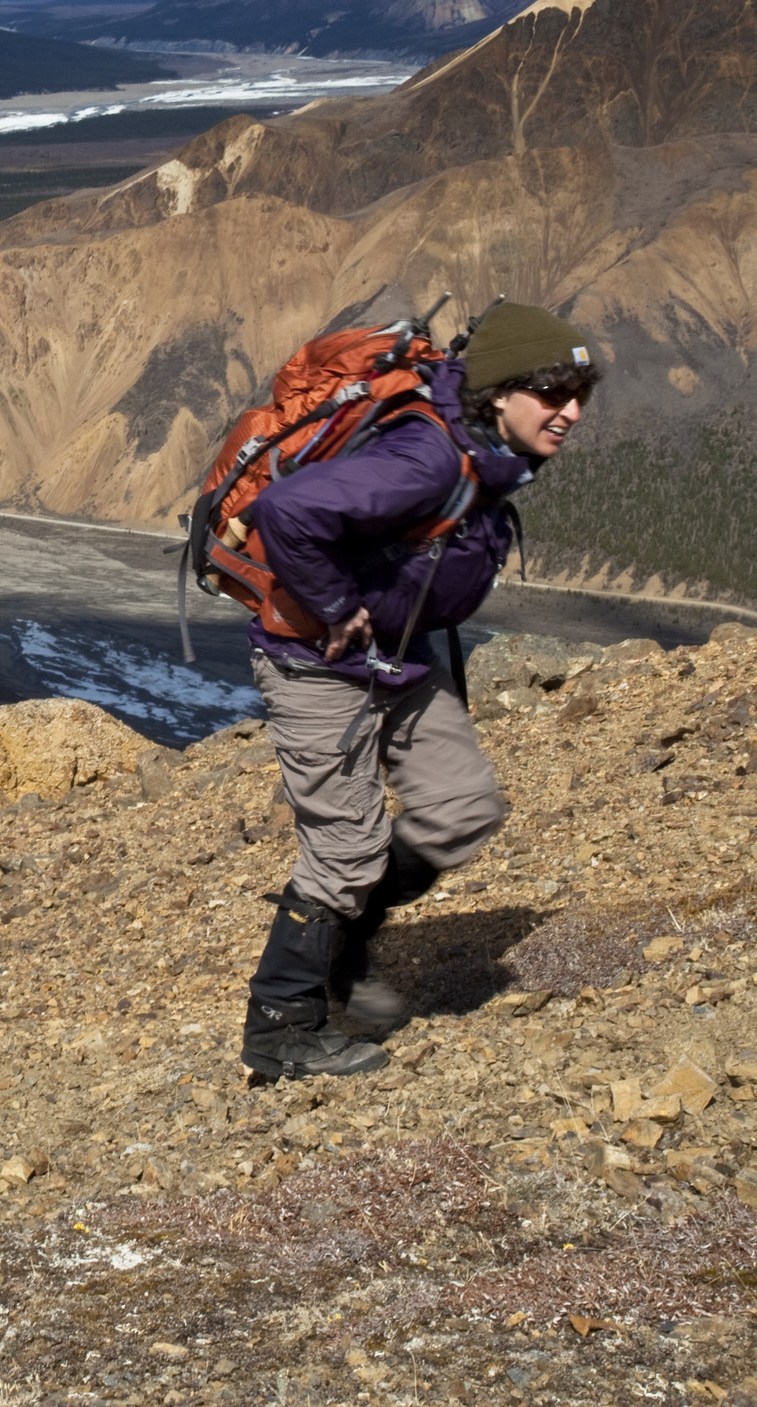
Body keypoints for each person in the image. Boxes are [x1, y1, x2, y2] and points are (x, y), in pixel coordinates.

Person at [236, 302, 600, 1082]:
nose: (569, 412)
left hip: (396, 660)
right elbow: (286, 509)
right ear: (501, 392)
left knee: (461, 810)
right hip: (318, 665)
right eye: (552, 393)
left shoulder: (482, 451)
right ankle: (281, 1030)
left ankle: (344, 945)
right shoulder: (428, 459)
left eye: (580, 396)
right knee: (346, 849)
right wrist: (335, 609)